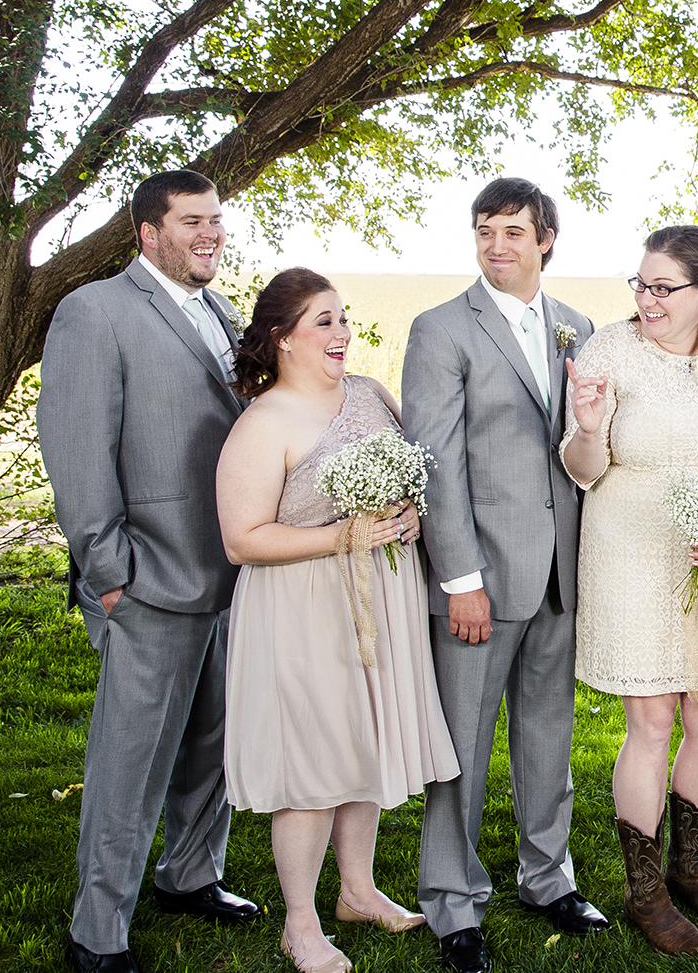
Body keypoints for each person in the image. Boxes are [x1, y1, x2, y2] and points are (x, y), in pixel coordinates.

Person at [40, 169, 262, 973]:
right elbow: (75, 451)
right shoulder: (93, 312)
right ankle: (98, 932)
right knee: (129, 765)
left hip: (230, 574)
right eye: (192, 221)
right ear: (147, 232)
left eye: (216, 222)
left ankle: (190, 874)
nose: (210, 234)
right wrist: (108, 572)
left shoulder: (218, 311)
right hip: (145, 580)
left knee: (214, 744)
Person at [215, 269, 460, 973]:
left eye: (343, 318)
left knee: (363, 747)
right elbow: (243, 539)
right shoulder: (264, 422)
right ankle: (301, 923)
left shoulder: (370, 395)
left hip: (381, 597)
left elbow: (410, 476)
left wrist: (409, 512)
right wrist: (345, 537)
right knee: (314, 763)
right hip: (302, 608)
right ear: (282, 338)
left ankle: (357, 889)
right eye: (323, 321)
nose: (342, 333)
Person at [404, 179, 605, 973]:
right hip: (479, 576)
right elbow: (434, 461)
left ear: (546, 239)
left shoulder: (575, 328)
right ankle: (453, 903)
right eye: (485, 230)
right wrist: (459, 577)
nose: (497, 245)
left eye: (514, 231)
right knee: (462, 746)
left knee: (547, 736)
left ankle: (547, 876)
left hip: (560, 572)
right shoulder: (441, 329)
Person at [560, 225, 698, 955]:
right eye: (640, 284)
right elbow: (583, 468)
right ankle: (644, 893)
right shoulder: (609, 351)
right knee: (650, 722)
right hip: (630, 550)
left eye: (663, 287)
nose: (646, 299)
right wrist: (587, 427)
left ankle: (691, 872)